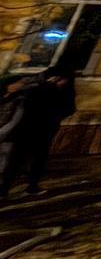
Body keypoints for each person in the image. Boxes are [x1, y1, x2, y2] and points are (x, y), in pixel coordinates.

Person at [0, 66, 77, 199]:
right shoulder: (63, 91)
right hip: (43, 130)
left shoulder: (37, 88)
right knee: (36, 160)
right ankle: (30, 187)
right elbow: (69, 109)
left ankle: (5, 189)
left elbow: (16, 98)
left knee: (17, 160)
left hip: (27, 128)